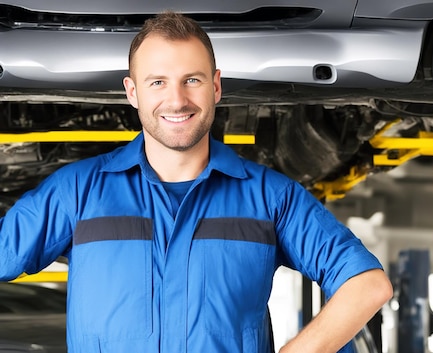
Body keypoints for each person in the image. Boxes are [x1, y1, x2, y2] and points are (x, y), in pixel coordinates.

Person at [0, 11, 392, 353]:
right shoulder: (77, 192)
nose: (177, 100)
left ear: (216, 86)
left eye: (192, 80)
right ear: (132, 92)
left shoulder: (271, 198)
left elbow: (368, 285)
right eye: (157, 82)